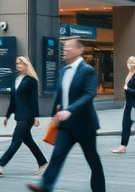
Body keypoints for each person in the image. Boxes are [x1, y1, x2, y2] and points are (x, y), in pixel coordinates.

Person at [26, 37, 105, 192]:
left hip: (84, 125)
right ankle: (45, 186)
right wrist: (54, 115)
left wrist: (70, 110)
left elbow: (89, 94)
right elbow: (61, 95)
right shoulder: (63, 70)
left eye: (69, 48)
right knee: (57, 155)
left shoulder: (87, 70)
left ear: (79, 50)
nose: (65, 51)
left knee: (92, 159)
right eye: (64, 48)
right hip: (66, 125)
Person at [0, 56, 47, 176]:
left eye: (21, 63)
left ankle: (0, 164)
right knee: (28, 141)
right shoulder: (17, 80)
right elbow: (13, 101)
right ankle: (43, 162)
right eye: (17, 63)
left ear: (26, 65)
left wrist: (36, 117)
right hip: (19, 115)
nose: (18, 65)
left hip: (28, 116)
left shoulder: (31, 80)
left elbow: (34, 100)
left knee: (16, 140)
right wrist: (7, 116)